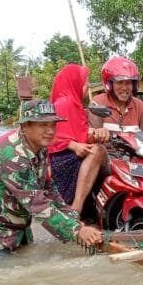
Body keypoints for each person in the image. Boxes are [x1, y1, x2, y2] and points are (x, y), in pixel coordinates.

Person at [0, 99, 102, 254]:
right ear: (25, 126)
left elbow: (48, 189)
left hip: (16, 228)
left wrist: (74, 220)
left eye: (53, 124)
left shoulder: (39, 147)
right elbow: (37, 204)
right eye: (43, 125)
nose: (51, 131)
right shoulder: (13, 156)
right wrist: (77, 230)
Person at [48, 64, 108, 217]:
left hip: (70, 156)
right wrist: (72, 145)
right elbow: (48, 137)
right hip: (61, 160)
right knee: (99, 150)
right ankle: (77, 206)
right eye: (85, 82)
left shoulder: (75, 105)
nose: (87, 86)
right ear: (75, 83)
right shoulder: (64, 103)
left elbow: (78, 134)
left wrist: (95, 134)